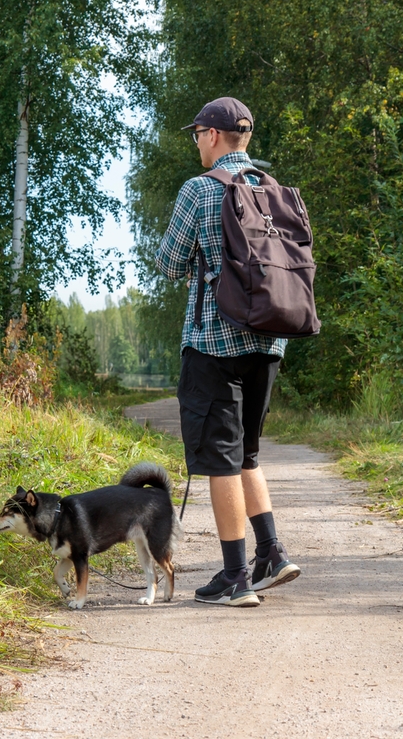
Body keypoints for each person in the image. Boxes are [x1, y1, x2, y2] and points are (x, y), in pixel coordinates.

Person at [154, 96, 301, 607]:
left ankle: (235, 577)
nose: (197, 143)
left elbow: (170, 263)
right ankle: (271, 554)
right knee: (246, 455)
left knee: (220, 461)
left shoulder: (199, 189)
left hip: (214, 343)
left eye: (197, 134)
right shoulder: (273, 190)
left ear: (213, 136)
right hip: (270, 339)